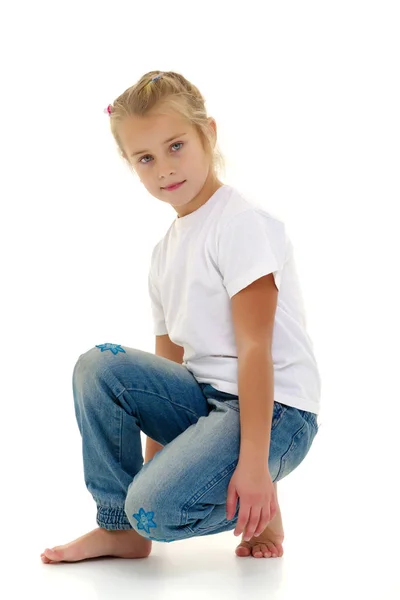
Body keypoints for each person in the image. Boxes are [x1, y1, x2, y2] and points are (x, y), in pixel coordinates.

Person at [41, 70, 321, 564]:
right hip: (205, 404)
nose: (165, 169)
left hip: (277, 412)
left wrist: (254, 467)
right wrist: (161, 463)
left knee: (154, 508)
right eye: (145, 159)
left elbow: (256, 349)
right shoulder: (164, 252)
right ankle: (122, 529)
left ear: (207, 134)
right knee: (97, 366)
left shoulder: (240, 224)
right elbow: (167, 368)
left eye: (176, 146)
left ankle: (260, 499)